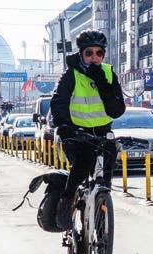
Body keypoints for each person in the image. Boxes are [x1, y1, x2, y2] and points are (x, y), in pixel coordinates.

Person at [51, 29, 126, 230]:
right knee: (84, 162)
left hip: (102, 133)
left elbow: (117, 110)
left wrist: (102, 82)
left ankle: (101, 226)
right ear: (81, 54)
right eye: (89, 53)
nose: (94, 57)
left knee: (107, 169)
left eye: (99, 53)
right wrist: (64, 126)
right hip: (77, 134)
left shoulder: (108, 74)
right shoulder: (71, 75)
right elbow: (59, 102)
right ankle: (66, 202)